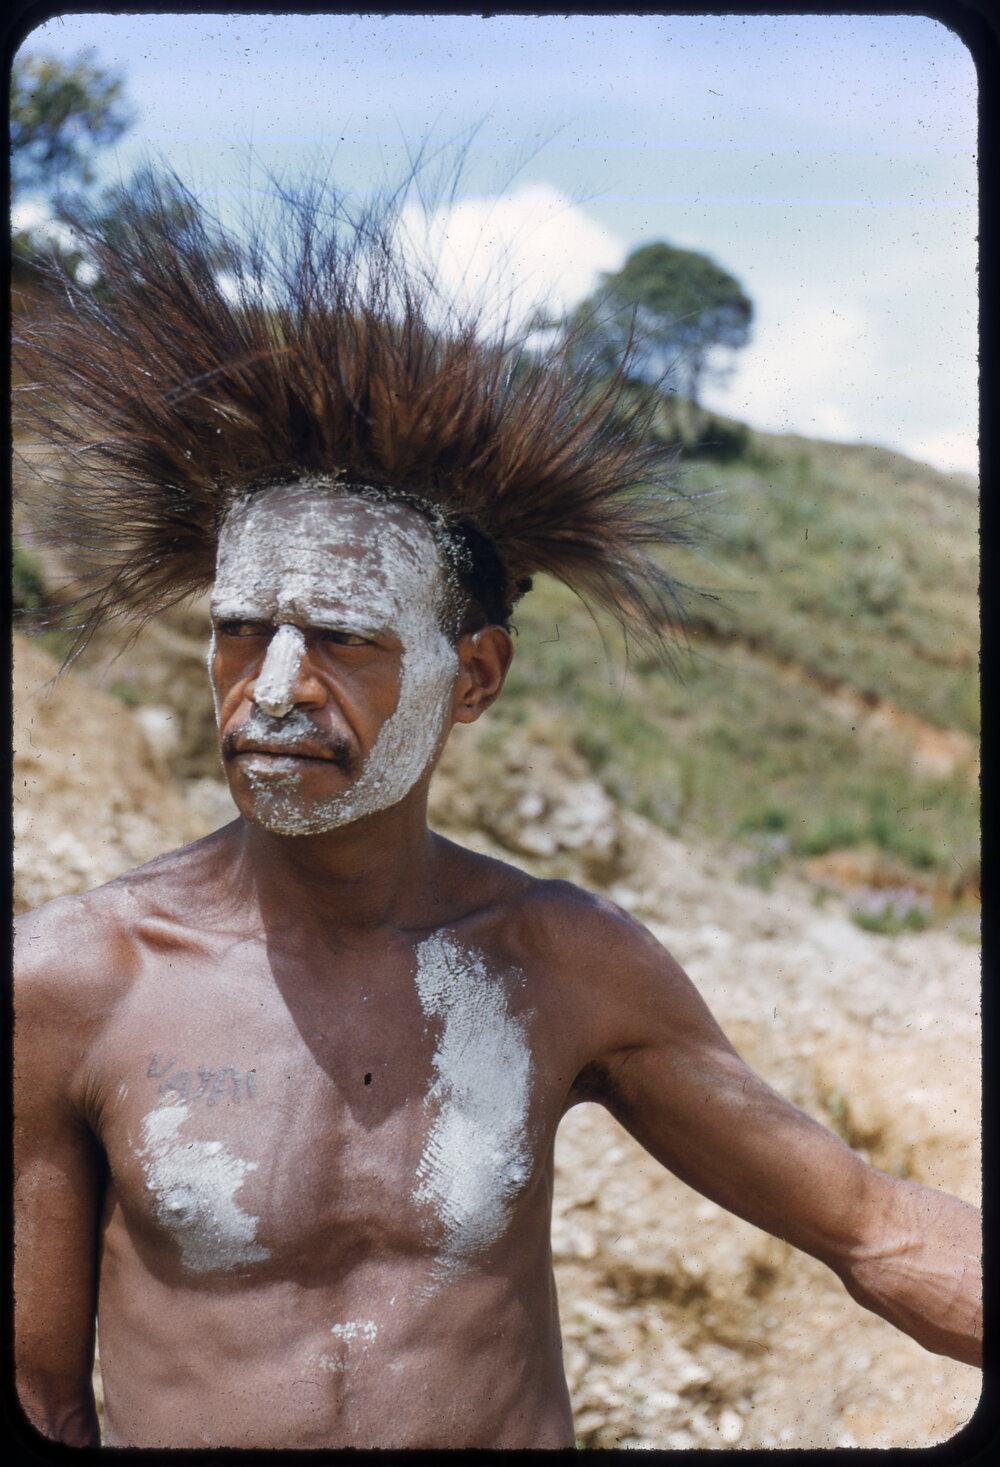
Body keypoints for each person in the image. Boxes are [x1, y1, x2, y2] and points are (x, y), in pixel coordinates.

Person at [13, 173, 981, 1450]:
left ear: (471, 677)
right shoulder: (79, 983)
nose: (276, 690)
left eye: (346, 639)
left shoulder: (558, 965)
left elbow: (873, 1227)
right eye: (240, 631)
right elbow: (34, 1395)